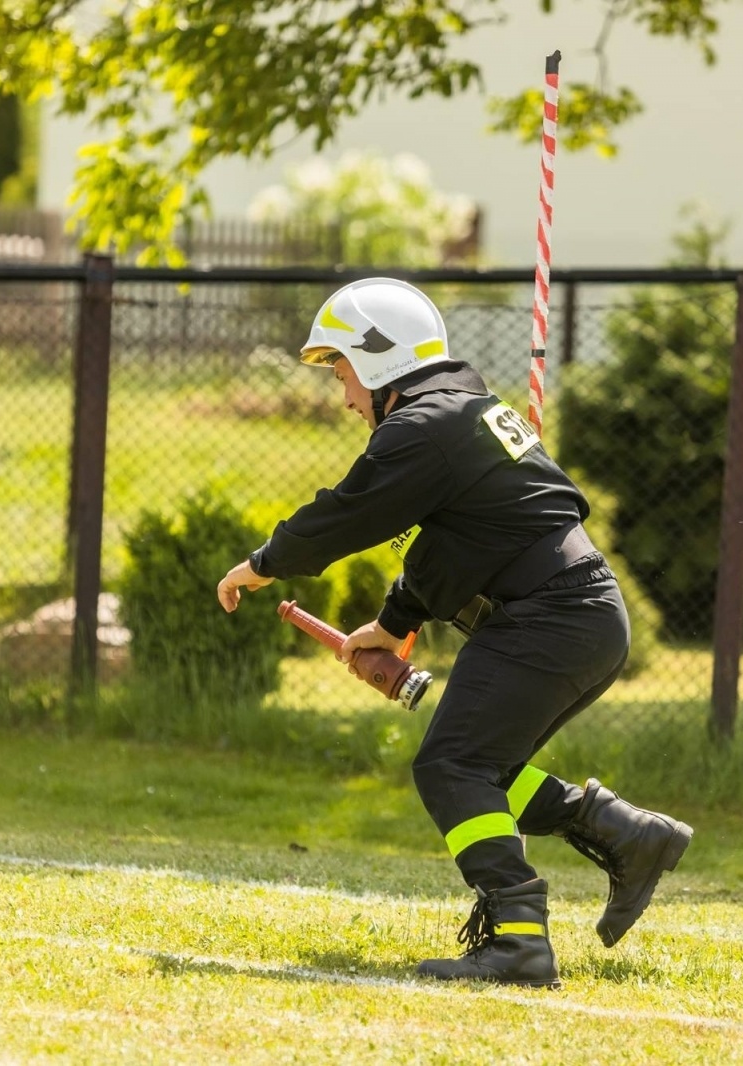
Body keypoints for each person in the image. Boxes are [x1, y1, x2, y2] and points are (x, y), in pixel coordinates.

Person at [217, 278, 692, 988]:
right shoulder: (457, 414)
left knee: (451, 767)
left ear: (379, 358)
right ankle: (625, 833)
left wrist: (261, 565)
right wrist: (388, 627)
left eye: (343, 371)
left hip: (551, 618)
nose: (344, 396)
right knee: (483, 766)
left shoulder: (421, 429)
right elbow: (449, 553)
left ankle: (519, 938)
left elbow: (347, 514)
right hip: (580, 616)